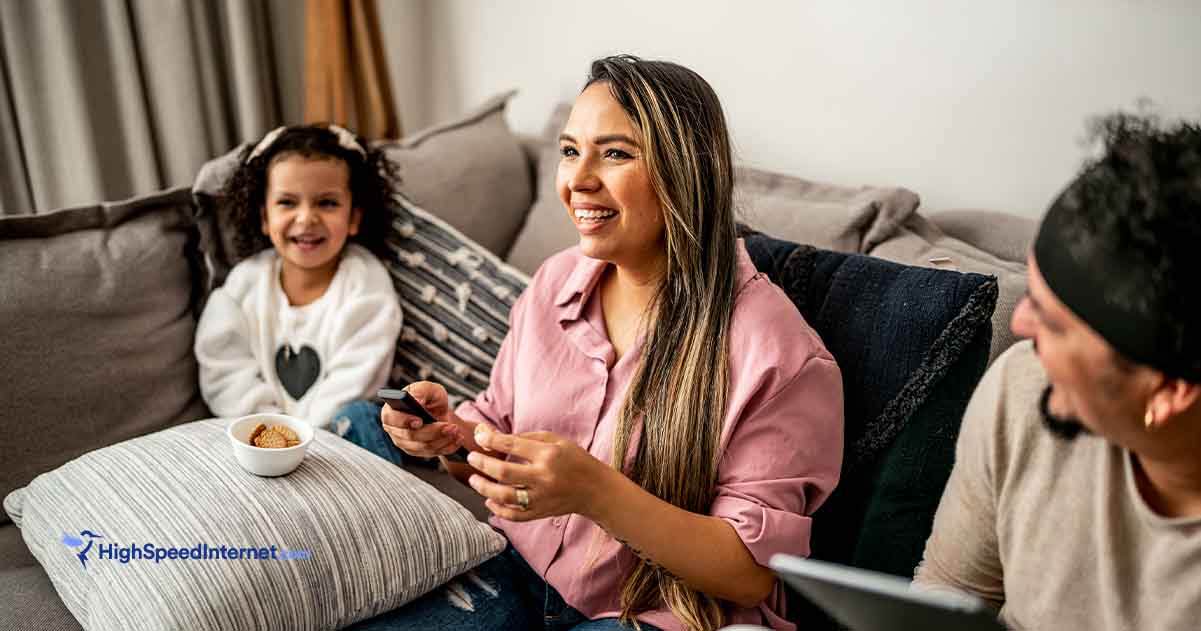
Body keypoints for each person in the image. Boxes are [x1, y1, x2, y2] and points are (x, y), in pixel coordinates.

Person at [353, 56, 844, 631]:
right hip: (515, 571)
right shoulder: (554, 282)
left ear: (687, 172)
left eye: (614, 153)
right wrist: (451, 437)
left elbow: (750, 573)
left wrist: (595, 491)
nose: (577, 179)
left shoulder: (778, 355)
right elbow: (496, 438)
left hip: (653, 615)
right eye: (568, 150)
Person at [914, 112, 1201, 630]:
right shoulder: (1022, 389)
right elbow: (949, 591)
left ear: (1170, 391)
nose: (1019, 324)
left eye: (1055, 321)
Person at [194, 124, 403, 435]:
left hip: (340, 438)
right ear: (264, 217)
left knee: (361, 416)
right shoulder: (243, 285)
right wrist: (273, 432)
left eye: (327, 203)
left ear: (354, 218)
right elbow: (224, 370)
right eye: (288, 203)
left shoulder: (366, 285)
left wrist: (305, 438)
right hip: (260, 437)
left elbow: (357, 376)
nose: (306, 218)